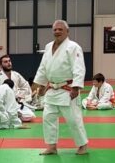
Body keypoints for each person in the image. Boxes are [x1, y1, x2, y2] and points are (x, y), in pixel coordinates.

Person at [34, 20, 88, 156]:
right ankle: (52, 146)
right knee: (48, 118)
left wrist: (76, 88)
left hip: (67, 89)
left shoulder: (73, 47)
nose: (57, 32)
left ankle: (82, 145)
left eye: (60, 29)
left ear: (67, 31)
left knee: (73, 120)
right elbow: (43, 67)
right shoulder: (48, 47)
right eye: (55, 30)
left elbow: (79, 68)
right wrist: (41, 85)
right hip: (51, 88)